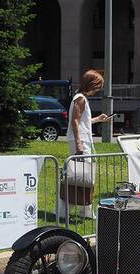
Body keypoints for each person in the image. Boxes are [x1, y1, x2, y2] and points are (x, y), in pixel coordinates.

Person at [60, 69, 113, 219]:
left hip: (81, 140)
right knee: (80, 177)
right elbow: (75, 122)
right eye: (98, 86)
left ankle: (79, 210)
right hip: (81, 142)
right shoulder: (81, 98)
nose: (98, 90)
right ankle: (75, 210)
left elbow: (81, 122)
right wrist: (79, 144)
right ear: (92, 84)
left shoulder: (79, 98)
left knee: (80, 177)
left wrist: (98, 119)